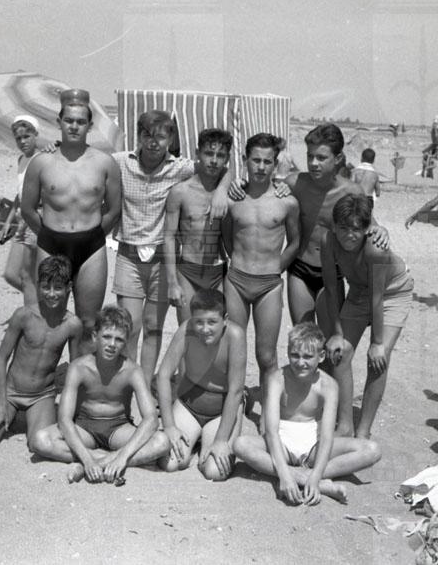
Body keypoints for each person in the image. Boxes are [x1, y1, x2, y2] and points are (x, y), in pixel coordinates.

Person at [112, 111, 228, 386]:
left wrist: (223, 189)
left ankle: (144, 384)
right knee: (130, 327)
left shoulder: (180, 167)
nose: (153, 142)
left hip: (162, 259)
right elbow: (91, 159)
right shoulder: (120, 162)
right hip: (129, 256)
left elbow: (220, 166)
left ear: (170, 139)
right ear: (138, 135)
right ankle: (129, 386)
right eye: (147, 135)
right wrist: (52, 146)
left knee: (154, 328)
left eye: (161, 136)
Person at [233, 322, 381, 505]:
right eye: (294, 355)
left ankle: (307, 477)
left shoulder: (328, 385)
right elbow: (271, 431)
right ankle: (302, 478)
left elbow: (326, 436)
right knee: (241, 444)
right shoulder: (277, 379)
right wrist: (285, 475)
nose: (300, 362)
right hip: (281, 441)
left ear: (321, 356)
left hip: (313, 444)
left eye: (308, 357)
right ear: (288, 352)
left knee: (372, 450)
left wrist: (315, 475)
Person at [21, 89, 121, 350]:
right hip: (51, 244)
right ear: (59, 122)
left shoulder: (105, 163)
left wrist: (93, 235)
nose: (74, 126)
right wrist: (49, 235)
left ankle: (79, 372)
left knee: (88, 322)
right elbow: (28, 209)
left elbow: (113, 210)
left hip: (91, 248)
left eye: (80, 121)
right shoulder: (41, 162)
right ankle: (46, 372)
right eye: (69, 120)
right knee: (50, 320)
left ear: (90, 125)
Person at [32, 305, 169, 484]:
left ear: (125, 342)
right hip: (84, 427)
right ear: (95, 336)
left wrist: (122, 457)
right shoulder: (79, 368)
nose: (112, 344)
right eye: (106, 337)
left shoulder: (132, 371)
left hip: (118, 428)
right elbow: (64, 419)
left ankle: (98, 463)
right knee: (40, 440)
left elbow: (151, 419)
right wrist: (88, 459)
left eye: (119, 339)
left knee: (162, 441)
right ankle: (98, 460)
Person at [322, 193, 413, 438]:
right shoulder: (328, 241)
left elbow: (378, 298)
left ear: (365, 229)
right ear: (334, 226)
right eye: (343, 228)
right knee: (339, 353)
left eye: (355, 229)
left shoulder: (375, 248)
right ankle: (345, 425)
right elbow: (331, 287)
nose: (349, 235)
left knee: (378, 360)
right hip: (360, 291)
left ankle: (363, 431)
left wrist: (377, 343)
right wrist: (337, 333)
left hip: (392, 293)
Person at [0, 255, 82, 454]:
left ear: (69, 287)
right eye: (46, 287)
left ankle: (30, 418)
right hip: (11, 392)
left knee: (38, 444)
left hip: (42, 395)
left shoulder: (72, 325)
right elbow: (1, 359)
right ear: (38, 286)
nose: (51, 294)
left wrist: (70, 411)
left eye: (58, 287)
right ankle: (12, 413)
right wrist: (1, 404)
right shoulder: (23, 315)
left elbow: (75, 369)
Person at [282, 123, 388, 330]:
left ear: (338, 158)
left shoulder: (351, 191)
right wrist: (236, 185)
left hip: (332, 271)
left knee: (331, 339)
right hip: (300, 269)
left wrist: (381, 230)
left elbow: (370, 224)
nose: (313, 163)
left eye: (321, 158)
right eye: (310, 156)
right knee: (303, 337)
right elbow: (263, 197)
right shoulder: (294, 184)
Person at [222, 133, 300, 387]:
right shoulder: (234, 199)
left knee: (266, 356)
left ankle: (270, 406)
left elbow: (295, 242)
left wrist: (277, 267)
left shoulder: (286, 202)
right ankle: (234, 400)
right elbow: (227, 236)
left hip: (269, 284)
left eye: (267, 162)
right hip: (237, 281)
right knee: (234, 350)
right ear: (245, 159)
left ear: (275, 164)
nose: (261, 167)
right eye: (256, 160)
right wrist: (238, 260)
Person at [157, 289, 246, 480]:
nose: (205, 329)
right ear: (192, 319)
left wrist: (221, 440)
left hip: (221, 410)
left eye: (212, 322)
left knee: (214, 471)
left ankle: (207, 438)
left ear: (225, 319)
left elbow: (236, 390)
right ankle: (197, 439)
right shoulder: (186, 330)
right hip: (189, 405)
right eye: (199, 322)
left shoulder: (235, 336)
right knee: (170, 463)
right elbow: (163, 375)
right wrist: (169, 426)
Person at [164, 128, 231, 325]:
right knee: (188, 330)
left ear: (227, 159)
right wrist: (172, 282)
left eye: (220, 155)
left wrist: (223, 188)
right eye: (209, 153)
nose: (214, 160)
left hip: (218, 272)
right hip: (188, 271)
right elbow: (169, 237)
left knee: (217, 331)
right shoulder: (181, 192)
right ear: (197, 153)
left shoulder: (230, 191)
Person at [1, 115, 41, 305]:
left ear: (36, 135)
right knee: (11, 274)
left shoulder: (43, 159)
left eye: (27, 136)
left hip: (36, 219)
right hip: (21, 219)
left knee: (28, 275)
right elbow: (20, 194)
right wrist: (9, 220)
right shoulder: (21, 159)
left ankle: (36, 311)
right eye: (18, 138)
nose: (23, 141)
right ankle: (41, 305)